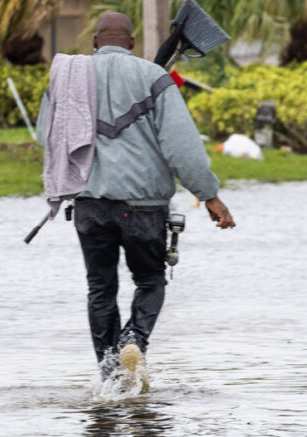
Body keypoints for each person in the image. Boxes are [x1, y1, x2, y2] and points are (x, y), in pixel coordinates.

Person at [43, 12, 235, 378]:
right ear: (131, 44)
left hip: (89, 203)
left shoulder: (67, 80)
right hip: (143, 207)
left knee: (100, 287)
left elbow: (48, 136)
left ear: (95, 43)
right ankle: (134, 339)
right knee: (150, 279)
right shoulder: (153, 77)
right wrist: (209, 196)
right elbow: (182, 146)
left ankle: (109, 375)